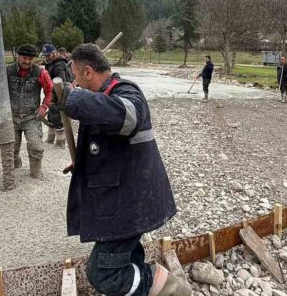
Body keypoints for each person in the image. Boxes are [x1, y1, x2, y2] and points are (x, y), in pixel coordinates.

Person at [54, 43, 188, 296]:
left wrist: (75, 98)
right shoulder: (102, 96)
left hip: (130, 203)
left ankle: (171, 288)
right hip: (123, 198)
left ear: (88, 72)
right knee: (125, 257)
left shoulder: (126, 91)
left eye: (75, 75)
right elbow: (110, 144)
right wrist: (84, 162)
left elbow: (128, 119)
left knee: (102, 273)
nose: (75, 81)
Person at [6, 44, 53, 179]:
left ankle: (36, 173)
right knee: (11, 148)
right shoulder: (7, 71)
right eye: (24, 58)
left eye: (30, 59)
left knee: (36, 146)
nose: (26, 61)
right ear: (18, 56)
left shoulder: (41, 73)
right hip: (11, 116)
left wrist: (44, 107)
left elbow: (50, 91)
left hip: (32, 117)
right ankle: (13, 169)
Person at [41, 43, 73, 147]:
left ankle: (60, 142)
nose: (46, 58)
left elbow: (61, 82)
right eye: (45, 55)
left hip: (58, 94)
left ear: (54, 53)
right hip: (51, 93)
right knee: (51, 117)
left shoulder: (59, 65)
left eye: (48, 55)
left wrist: (56, 97)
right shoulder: (50, 63)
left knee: (56, 117)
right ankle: (50, 139)